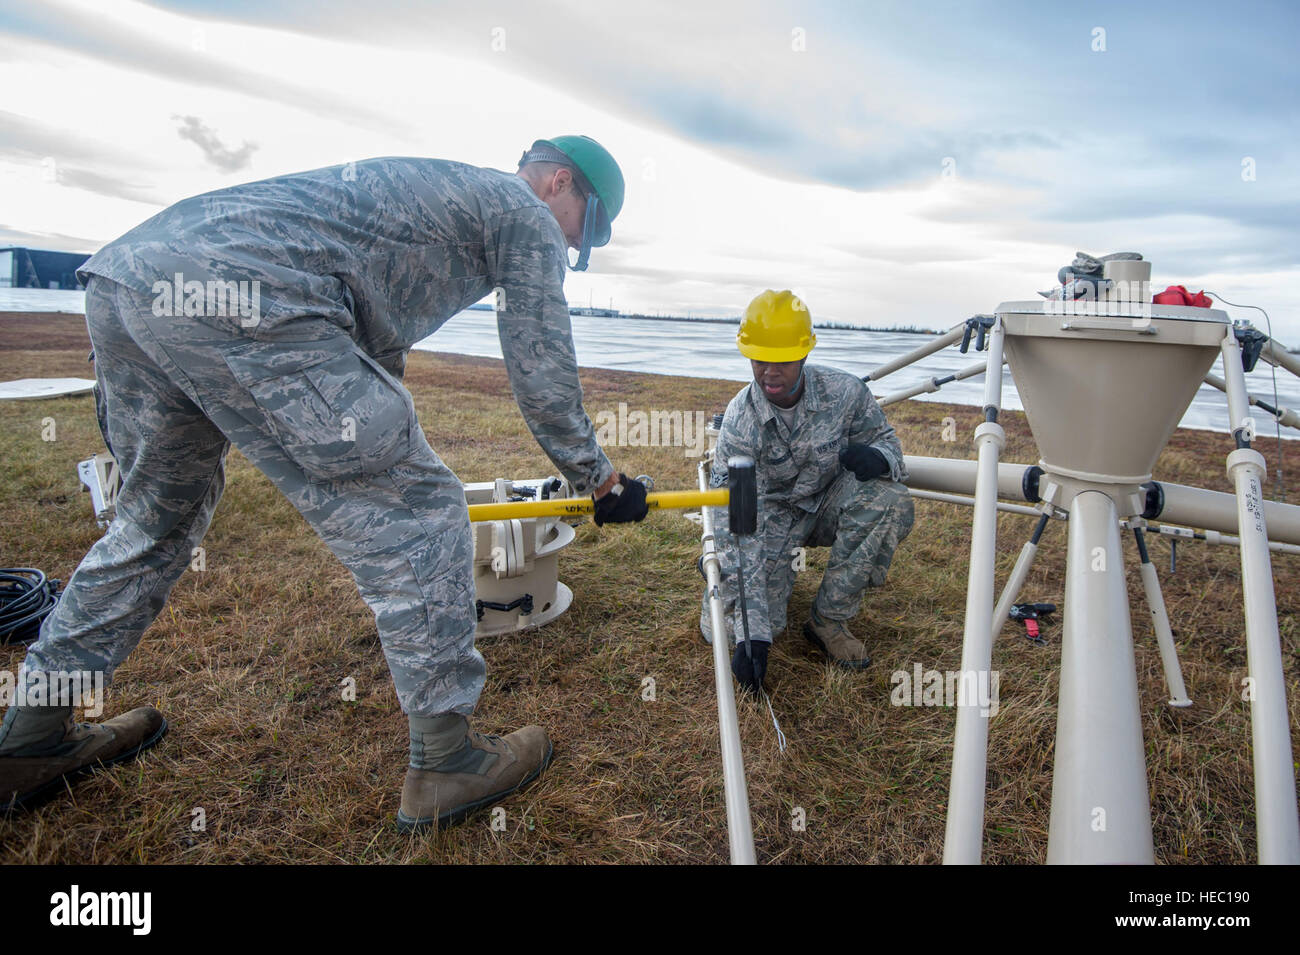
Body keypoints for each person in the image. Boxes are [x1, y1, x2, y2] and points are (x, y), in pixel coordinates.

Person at [0, 136, 650, 830]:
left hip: (129, 279)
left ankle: (30, 734)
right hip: (244, 295)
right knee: (424, 512)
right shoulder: (524, 213)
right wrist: (600, 480)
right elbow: (541, 364)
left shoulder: (435, 193)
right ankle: (448, 760)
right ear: (558, 182)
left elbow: (369, 322)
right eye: (585, 228)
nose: (574, 246)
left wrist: (376, 424)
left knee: (153, 524)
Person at [702, 289, 914, 693]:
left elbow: (889, 444)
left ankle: (828, 620)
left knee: (890, 500)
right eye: (759, 359)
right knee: (726, 633)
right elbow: (733, 519)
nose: (769, 372)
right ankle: (743, 592)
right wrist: (752, 631)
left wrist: (880, 458)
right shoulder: (739, 420)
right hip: (766, 519)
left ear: (803, 354)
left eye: (781, 360)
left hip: (827, 503)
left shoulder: (846, 393)